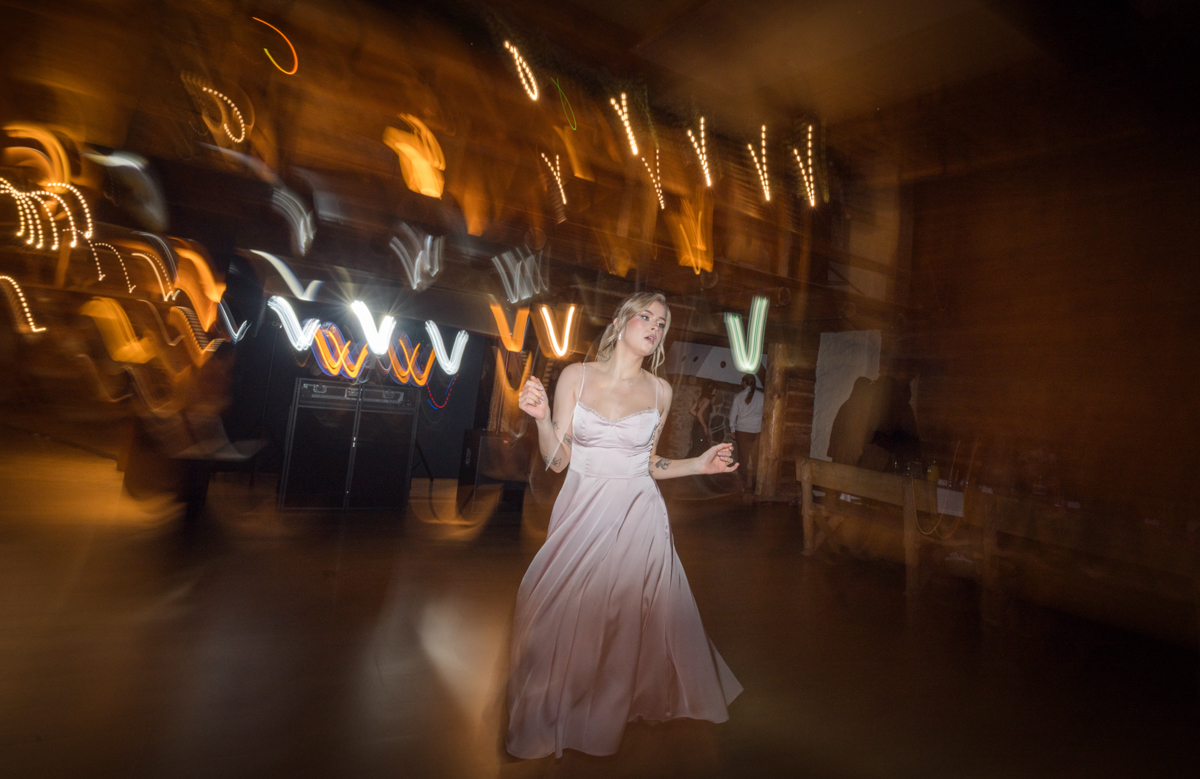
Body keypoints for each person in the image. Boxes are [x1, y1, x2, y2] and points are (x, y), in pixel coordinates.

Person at [507, 291, 743, 759]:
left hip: (640, 516)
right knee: (560, 611)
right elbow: (558, 461)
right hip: (581, 511)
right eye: (646, 317)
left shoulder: (660, 392)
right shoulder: (576, 376)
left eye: (662, 324)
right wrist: (541, 421)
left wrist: (699, 465)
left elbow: (647, 462)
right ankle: (556, 712)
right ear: (619, 323)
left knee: (622, 623)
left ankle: (602, 723)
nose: (655, 327)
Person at [728, 374, 764, 492]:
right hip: (756, 432)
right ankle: (754, 486)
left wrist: (732, 429)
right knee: (756, 460)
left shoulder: (738, 396)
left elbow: (732, 416)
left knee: (743, 459)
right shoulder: (762, 396)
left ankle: (742, 486)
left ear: (744, 383)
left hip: (742, 431)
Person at [687, 380, 715, 457]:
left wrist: (699, 417)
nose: (715, 390)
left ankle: (691, 462)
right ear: (711, 389)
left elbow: (691, 410)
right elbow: (699, 414)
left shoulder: (701, 399)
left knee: (697, 447)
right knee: (699, 448)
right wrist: (705, 427)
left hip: (696, 426)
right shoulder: (707, 401)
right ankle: (688, 462)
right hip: (700, 428)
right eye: (715, 388)